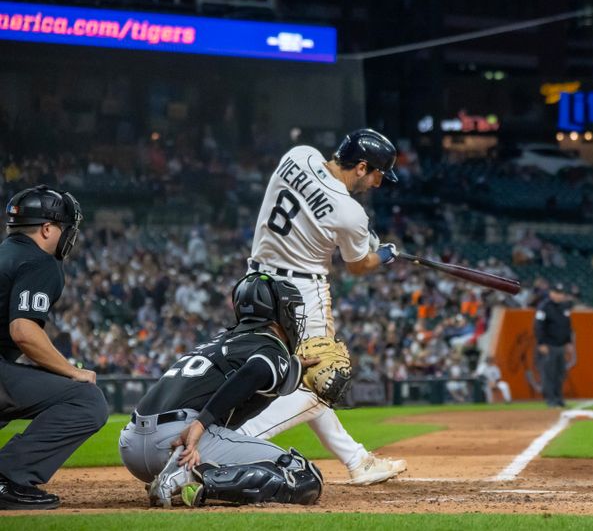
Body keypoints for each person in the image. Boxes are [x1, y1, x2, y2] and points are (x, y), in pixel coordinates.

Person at [238, 128, 407, 485]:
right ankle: (238, 443)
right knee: (321, 383)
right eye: (377, 173)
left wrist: (362, 238)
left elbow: (315, 214)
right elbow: (359, 265)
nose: (378, 183)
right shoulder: (351, 212)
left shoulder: (298, 155)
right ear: (361, 167)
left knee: (293, 374)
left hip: (255, 286)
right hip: (301, 294)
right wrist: (385, 254)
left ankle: (357, 460)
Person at [119, 273, 323, 508]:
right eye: (290, 309)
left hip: (132, 446)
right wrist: (201, 423)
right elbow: (255, 372)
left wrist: (293, 370)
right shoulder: (270, 346)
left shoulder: (221, 342)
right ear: (278, 313)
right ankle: (187, 477)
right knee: (302, 474)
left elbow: (248, 392)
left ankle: (182, 473)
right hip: (181, 439)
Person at [0, 185, 108, 510]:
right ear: (47, 228)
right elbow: (23, 331)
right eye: (64, 228)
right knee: (87, 401)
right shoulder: (40, 261)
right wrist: (72, 371)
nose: (67, 236)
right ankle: (8, 476)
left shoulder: (5, 253)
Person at [534, 282, 574, 408]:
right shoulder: (544, 307)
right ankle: (550, 399)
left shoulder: (564, 307)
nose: (559, 296)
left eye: (561, 293)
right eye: (557, 293)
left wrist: (568, 342)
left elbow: (567, 326)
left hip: (561, 345)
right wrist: (541, 343)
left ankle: (558, 398)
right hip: (548, 345)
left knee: (560, 373)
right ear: (551, 293)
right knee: (548, 374)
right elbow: (538, 326)